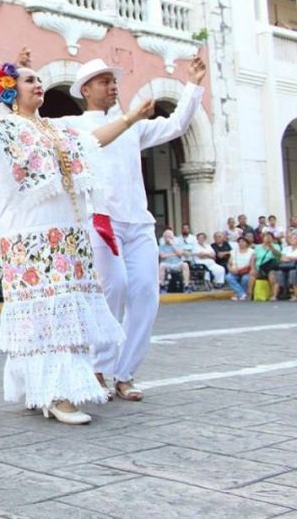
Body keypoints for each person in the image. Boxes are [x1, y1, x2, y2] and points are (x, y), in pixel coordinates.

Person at [0, 50, 152, 425]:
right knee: (44, 314)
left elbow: (95, 140)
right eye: (29, 80)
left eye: (38, 80)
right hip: (30, 236)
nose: (38, 84)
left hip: (66, 235)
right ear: (10, 91)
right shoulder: (4, 129)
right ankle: (55, 393)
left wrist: (130, 118)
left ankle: (44, 389)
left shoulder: (58, 130)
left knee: (64, 314)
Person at [60, 55, 206, 403]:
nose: (113, 86)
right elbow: (82, 140)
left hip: (138, 222)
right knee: (114, 288)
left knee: (145, 294)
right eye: (104, 81)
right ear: (85, 89)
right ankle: (98, 368)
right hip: (100, 221)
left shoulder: (135, 126)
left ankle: (124, 374)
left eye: (113, 81)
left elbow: (176, 126)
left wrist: (193, 85)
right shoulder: (73, 124)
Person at [251, 231, 282, 300]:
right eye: (266, 237)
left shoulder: (276, 246)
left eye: (269, 237)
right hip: (259, 267)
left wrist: (271, 247)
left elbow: (279, 256)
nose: (268, 239)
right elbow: (253, 259)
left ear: (273, 239)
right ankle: (249, 294)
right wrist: (253, 268)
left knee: (272, 275)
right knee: (252, 275)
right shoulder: (258, 247)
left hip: (270, 267)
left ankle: (273, 295)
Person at [226, 236, 254, 300]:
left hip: (245, 271)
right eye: (239, 242)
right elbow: (229, 263)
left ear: (247, 243)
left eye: (243, 241)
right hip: (234, 270)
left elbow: (250, 264)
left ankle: (238, 294)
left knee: (245, 278)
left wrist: (239, 270)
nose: (241, 243)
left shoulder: (251, 252)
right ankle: (242, 294)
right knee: (228, 277)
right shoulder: (233, 251)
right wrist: (230, 269)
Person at [274, 231, 297, 300]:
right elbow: (282, 258)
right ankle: (276, 295)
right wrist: (291, 258)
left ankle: (295, 295)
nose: (293, 240)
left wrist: (289, 258)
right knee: (279, 273)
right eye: (292, 238)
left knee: (292, 273)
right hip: (285, 267)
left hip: (295, 267)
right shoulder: (286, 248)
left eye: (295, 238)